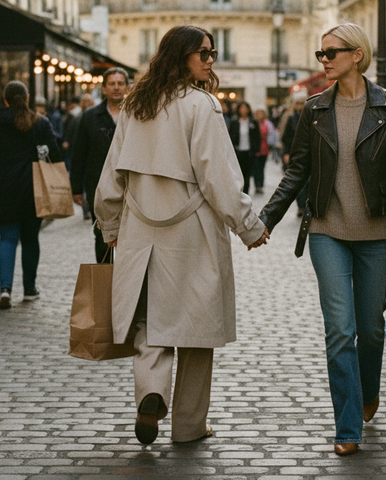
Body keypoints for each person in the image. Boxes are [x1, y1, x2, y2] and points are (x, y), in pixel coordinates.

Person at [94, 25, 269, 446]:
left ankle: (151, 393)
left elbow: (110, 177)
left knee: (150, 322)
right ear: (181, 56)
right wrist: (249, 227)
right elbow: (219, 179)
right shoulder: (202, 105)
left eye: (212, 53)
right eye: (203, 54)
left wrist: (111, 225)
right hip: (192, 232)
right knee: (196, 327)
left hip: (140, 231)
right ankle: (189, 425)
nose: (211, 61)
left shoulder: (135, 104)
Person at [258, 23, 386, 457]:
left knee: (370, 330)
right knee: (340, 330)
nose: (325, 60)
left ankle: (368, 389)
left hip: (375, 233)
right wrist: (266, 220)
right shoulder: (314, 110)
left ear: (357, 54)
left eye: (332, 52)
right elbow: (296, 170)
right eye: (321, 53)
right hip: (326, 230)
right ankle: (347, 426)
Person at [0, 80, 60, 309]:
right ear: (26, 99)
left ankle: (5, 289)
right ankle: (29, 289)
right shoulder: (40, 123)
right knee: (30, 239)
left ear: (5, 100)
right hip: (32, 190)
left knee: (7, 238)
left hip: (3, 189)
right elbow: (53, 153)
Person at [70, 67, 130, 263]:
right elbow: (79, 153)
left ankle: (127, 285)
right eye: (112, 84)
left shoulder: (135, 115)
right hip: (98, 184)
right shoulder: (90, 117)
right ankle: (105, 283)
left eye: (120, 84)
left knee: (130, 237)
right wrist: (76, 187)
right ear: (104, 88)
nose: (116, 88)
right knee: (102, 236)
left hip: (130, 185)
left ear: (127, 87)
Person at [281, 96, 307, 215]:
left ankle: (306, 205)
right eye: (298, 104)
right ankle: (301, 205)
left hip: (309, 153)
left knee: (309, 182)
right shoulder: (291, 118)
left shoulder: (312, 117)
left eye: (302, 103)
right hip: (295, 153)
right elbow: (285, 137)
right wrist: (286, 153)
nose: (300, 106)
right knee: (298, 181)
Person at [228, 101, 261, 194]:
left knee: (247, 174)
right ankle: (238, 192)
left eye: (245, 107)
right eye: (241, 107)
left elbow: (257, 137)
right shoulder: (234, 122)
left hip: (249, 152)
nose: (244, 110)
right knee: (238, 173)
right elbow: (230, 136)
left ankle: (246, 192)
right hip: (238, 151)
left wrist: (256, 150)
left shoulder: (253, 122)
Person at [253, 108, 274, 195]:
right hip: (255, 148)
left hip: (264, 148)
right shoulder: (253, 123)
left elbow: (271, 135)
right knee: (256, 168)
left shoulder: (267, 124)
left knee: (261, 168)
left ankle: (260, 185)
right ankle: (256, 185)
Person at [61, 96, 82, 171]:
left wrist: (67, 140)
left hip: (72, 142)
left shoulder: (73, 115)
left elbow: (70, 129)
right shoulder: (74, 115)